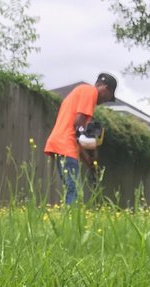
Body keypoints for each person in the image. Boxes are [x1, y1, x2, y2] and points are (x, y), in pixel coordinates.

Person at [44, 73, 117, 205]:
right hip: (65, 145)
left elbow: (77, 134)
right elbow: (78, 124)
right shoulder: (90, 91)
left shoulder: (81, 92)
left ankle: (68, 215)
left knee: (71, 188)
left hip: (62, 144)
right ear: (106, 88)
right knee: (73, 189)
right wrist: (92, 146)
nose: (106, 101)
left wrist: (88, 160)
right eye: (109, 97)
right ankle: (70, 217)